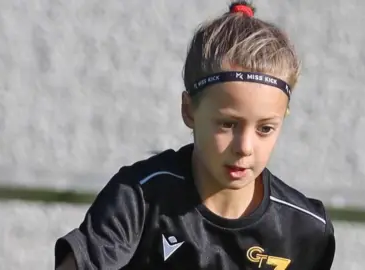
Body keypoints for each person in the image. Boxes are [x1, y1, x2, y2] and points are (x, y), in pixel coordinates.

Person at [54, 1, 336, 269]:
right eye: (227, 124)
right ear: (189, 111)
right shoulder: (140, 198)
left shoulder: (307, 230)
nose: (245, 147)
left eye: (265, 128)